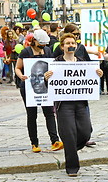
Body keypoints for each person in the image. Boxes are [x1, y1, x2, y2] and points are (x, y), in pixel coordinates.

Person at [44, 33, 103, 177]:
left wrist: (98, 75)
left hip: (81, 103)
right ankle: (72, 167)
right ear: (62, 46)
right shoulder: (55, 63)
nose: (71, 45)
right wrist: (47, 79)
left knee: (85, 132)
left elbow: (90, 78)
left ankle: (70, 150)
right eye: (67, 43)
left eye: (73, 43)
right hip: (63, 105)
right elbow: (51, 86)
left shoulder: (82, 61)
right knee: (69, 134)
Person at [15, 29, 63, 153]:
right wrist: (21, 76)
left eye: (44, 44)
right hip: (29, 87)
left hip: (45, 86)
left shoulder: (47, 51)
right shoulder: (26, 52)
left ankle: (55, 140)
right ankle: (34, 143)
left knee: (49, 112)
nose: (42, 47)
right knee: (32, 115)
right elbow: (18, 68)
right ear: (34, 41)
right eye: (40, 44)